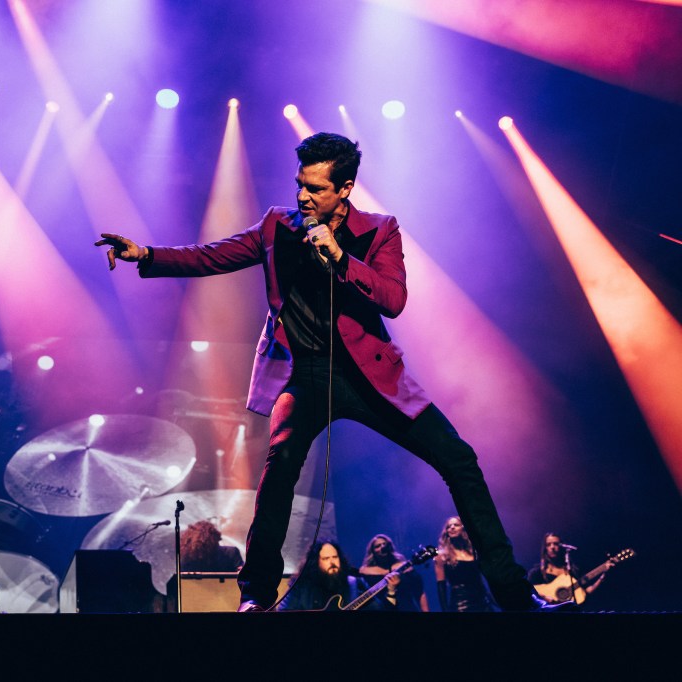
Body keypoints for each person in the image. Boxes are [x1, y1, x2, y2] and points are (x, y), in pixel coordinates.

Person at [95, 132, 560, 613]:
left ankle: (514, 596)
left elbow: (393, 299)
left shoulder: (379, 230)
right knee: (279, 470)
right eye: (300, 184)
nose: (302, 195)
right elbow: (213, 255)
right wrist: (146, 255)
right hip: (305, 374)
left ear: (345, 188)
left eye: (315, 188)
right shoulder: (277, 226)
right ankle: (255, 597)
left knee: (459, 460)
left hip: (370, 377)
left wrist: (341, 258)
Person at [278, 540, 380, 611]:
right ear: (315, 562)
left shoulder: (355, 583)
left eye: (335, 557)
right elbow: (284, 611)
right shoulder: (300, 586)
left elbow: (377, 608)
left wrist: (388, 594)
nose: (332, 562)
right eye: (326, 559)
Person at [435, 516, 496, 612]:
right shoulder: (442, 556)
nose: (452, 527)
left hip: (482, 601)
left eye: (456, 525)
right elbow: (441, 587)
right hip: (461, 604)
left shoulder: (473, 551)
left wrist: (491, 600)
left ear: (463, 528)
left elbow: (480, 580)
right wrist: (445, 610)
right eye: (449, 526)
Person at [527, 532, 603, 604]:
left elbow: (587, 591)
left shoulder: (573, 570)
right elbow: (528, 591)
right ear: (545, 548)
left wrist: (602, 578)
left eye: (556, 544)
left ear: (562, 546)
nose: (552, 547)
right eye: (548, 544)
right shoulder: (537, 573)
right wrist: (544, 597)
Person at [359, 533, 428, 612]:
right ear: (373, 551)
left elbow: (420, 592)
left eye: (385, 544)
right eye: (378, 546)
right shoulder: (365, 572)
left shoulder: (406, 568)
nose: (382, 547)